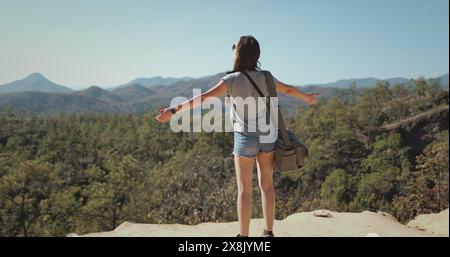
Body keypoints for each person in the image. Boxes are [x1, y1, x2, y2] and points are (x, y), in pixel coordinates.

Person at [155, 35, 318, 237]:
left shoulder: (231, 80)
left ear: (238, 54)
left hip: (245, 137)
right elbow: (288, 89)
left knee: (244, 190)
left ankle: (243, 237)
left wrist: (174, 110)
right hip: (268, 135)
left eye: (235, 49)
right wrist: (308, 98)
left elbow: (204, 98)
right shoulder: (267, 77)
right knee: (267, 185)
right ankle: (268, 232)